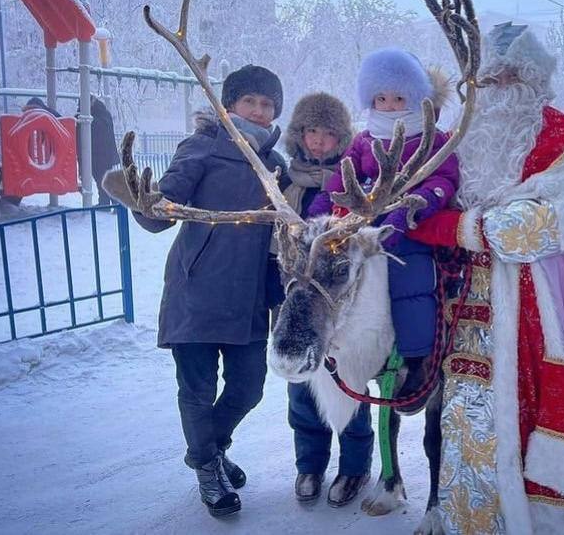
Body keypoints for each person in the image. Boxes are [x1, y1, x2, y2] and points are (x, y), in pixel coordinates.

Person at [408, 23, 564, 533]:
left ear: (532, 80)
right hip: (464, 318)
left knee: (528, 431)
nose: (495, 91)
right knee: (467, 428)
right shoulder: (462, 139)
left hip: (534, 320)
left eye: (506, 79)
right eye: (486, 81)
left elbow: (550, 225)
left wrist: (457, 227)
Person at [103, 64, 287, 518]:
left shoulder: (277, 165)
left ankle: (208, 451)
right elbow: (161, 214)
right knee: (197, 390)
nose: (259, 111)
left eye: (267, 104)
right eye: (250, 101)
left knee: (249, 387)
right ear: (229, 105)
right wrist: (140, 199)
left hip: (249, 298)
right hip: (197, 288)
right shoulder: (202, 147)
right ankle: (209, 470)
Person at [308, 48, 458, 415]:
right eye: (381, 99)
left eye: (398, 98)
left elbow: (444, 177)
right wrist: (321, 211)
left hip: (407, 229)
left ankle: (417, 357)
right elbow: (343, 178)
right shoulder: (363, 140)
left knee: (411, 282)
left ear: (414, 97)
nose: (390, 106)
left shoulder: (431, 138)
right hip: (363, 230)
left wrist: (417, 204)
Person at [278, 92, 374, 507]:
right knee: (302, 386)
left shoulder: (353, 183)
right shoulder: (285, 182)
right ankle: (310, 464)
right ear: (298, 134)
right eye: (311, 131)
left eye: (328, 133)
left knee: (348, 383)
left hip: (338, 305)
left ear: (341, 139)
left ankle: (354, 467)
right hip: (294, 299)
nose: (318, 141)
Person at [89, 96, 121, 205]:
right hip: (101, 154)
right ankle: (106, 201)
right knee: (101, 180)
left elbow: (101, 130)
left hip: (101, 155)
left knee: (103, 180)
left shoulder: (100, 114)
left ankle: (113, 202)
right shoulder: (101, 113)